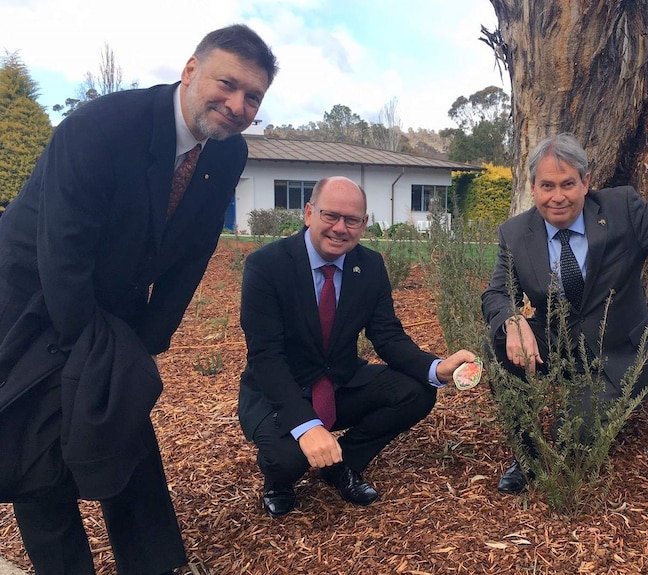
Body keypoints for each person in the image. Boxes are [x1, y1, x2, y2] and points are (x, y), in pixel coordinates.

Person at [0, 25, 278, 575]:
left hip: (114, 304)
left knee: (121, 422)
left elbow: (194, 251)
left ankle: (151, 564)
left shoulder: (227, 153)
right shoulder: (101, 128)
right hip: (29, 299)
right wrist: (92, 356)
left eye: (254, 97)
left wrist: (147, 340)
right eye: (228, 83)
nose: (238, 104)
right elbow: (64, 255)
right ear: (191, 70)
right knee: (40, 450)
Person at [481, 133, 648, 494]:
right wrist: (512, 320)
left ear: (586, 183)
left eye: (568, 184)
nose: (557, 196)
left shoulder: (622, 210)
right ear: (533, 188)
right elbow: (496, 293)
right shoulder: (516, 233)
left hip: (622, 352)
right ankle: (526, 453)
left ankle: (569, 433)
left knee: (570, 434)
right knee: (496, 343)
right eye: (547, 185)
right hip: (560, 348)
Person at [238, 176, 476, 518]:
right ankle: (279, 482)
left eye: (351, 220)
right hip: (278, 391)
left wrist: (436, 368)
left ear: (364, 224)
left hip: (338, 383)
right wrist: (307, 427)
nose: (340, 228)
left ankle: (340, 464)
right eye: (330, 216)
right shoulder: (267, 266)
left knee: (416, 392)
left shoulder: (370, 265)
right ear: (309, 213)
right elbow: (266, 357)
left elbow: (387, 336)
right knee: (286, 459)